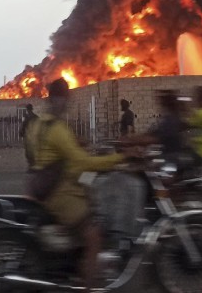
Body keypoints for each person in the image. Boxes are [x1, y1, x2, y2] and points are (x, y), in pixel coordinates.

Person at [27, 78, 132, 286]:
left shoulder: (37, 125)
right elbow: (83, 162)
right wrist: (121, 158)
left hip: (38, 185)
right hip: (58, 193)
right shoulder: (58, 129)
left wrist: (73, 147)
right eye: (65, 99)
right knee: (94, 236)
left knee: (87, 193)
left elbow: (36, 155)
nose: (66, 104)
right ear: (60, 99)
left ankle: (74, 262)